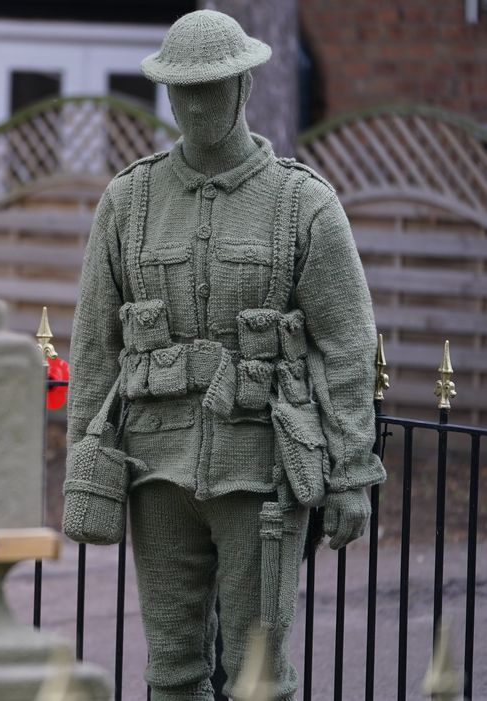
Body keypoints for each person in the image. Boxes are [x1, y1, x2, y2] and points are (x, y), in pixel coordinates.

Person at [61, 10, 385, 700]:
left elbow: (347, 344)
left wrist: (351, 470)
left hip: (261, 469)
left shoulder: (302, 204)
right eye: (183, 89)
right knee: (170, 670)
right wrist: (84, 471)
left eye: (211, 87)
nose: (197, 104)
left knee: (258, 675)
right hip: (156, 469)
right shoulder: (128, 201)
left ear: (242, 87)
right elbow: (93, 344)